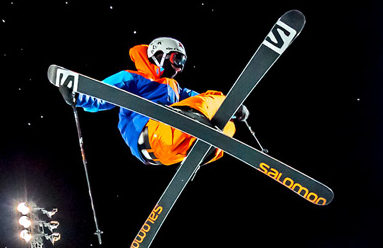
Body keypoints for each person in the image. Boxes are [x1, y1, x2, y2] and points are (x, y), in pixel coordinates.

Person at [61, 37, 248, 167]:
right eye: (177, 59)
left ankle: (204, 147)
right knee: (212, 102)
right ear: (160, 54)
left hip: (162, 153)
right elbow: (103, 94)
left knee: (227, 124)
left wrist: (233, 109)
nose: (179, 68)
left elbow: (204, 100)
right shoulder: (134, 78)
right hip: (149, 133)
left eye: (182, 63)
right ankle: (193, 126)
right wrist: (78, 93)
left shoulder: (175, 89)